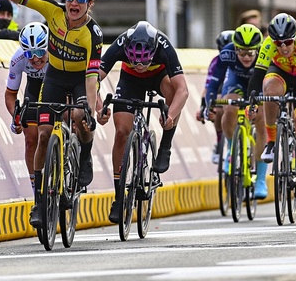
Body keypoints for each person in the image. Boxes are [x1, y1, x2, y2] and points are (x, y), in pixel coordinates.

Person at [4, 0, 103, 228]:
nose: (73, 2)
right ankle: (39, 202)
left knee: (82, 116)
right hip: (55, 77)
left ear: (89, 3)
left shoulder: (93, 33)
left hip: (81, 79)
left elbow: (93, 77)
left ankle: (84, 154)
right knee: (44, 135)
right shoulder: (53, 11)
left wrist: (91, 112)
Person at [97, 20, 189, 224]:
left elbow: (183, 90)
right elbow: (93, 79)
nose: (140, 66)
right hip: (129, 81)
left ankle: (165, 146)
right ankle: (119, 196)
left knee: (173, 95)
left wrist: (171, 115)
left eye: (144, 61)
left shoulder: (164, 46)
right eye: (135, 61)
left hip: (159, 77)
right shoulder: (120, 43)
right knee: (122, 132)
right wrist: (98, 107)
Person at [248, 13, 296, 210]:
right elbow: (257, 76)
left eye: (288, 42)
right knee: (269, 91)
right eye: (278, 43)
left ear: (294, 38)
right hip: (281, 73)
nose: (283, 47)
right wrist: (251, 103)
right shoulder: (268, 45)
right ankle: (271, 141)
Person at [205, 24, 268, 199]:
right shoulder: (227, 53)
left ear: (257, 49)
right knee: (229, 106)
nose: (246, 57)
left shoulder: (266, 53)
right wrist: (209, 104)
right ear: (235, 49)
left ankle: (261, 179)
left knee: (262, 120)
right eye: (241, 53)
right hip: (237, 82)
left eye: (250, 53)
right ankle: (232, 150)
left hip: (259, 84)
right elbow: (213, 82)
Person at [5, 22, 49, 193]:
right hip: (34, 86)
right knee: (30, 139)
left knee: (69, 117)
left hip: (59, 83)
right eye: (30, 53)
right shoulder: (18, 59)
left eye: (39, 52)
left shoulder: (58, 51)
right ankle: (36, 191)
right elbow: (10, 94)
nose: (35, 58)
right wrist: (15, 115)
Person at [195, 30, 235, 163]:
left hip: (238, 85)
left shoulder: (244, 58)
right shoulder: (216, 62)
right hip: (221, 87)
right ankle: (219, 143)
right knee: (217, 110)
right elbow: (208, 87)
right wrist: (204, 107)